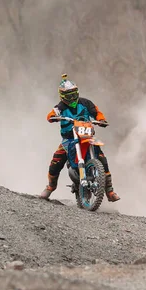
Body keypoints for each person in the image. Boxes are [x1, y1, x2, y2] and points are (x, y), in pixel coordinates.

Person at [40, 74, 120, 202]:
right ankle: (50, 187)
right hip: (69, 139)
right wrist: (52, 117)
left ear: (77, 92)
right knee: (56, 160)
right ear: (62, 96)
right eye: (68, 94)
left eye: (73, 93)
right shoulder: (60, 107)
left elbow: (97, 113)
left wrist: (101, 120)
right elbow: (52, 114)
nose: (71, 97)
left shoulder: (86, 103)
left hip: (87, 136)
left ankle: (109, 191)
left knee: (102, 159)